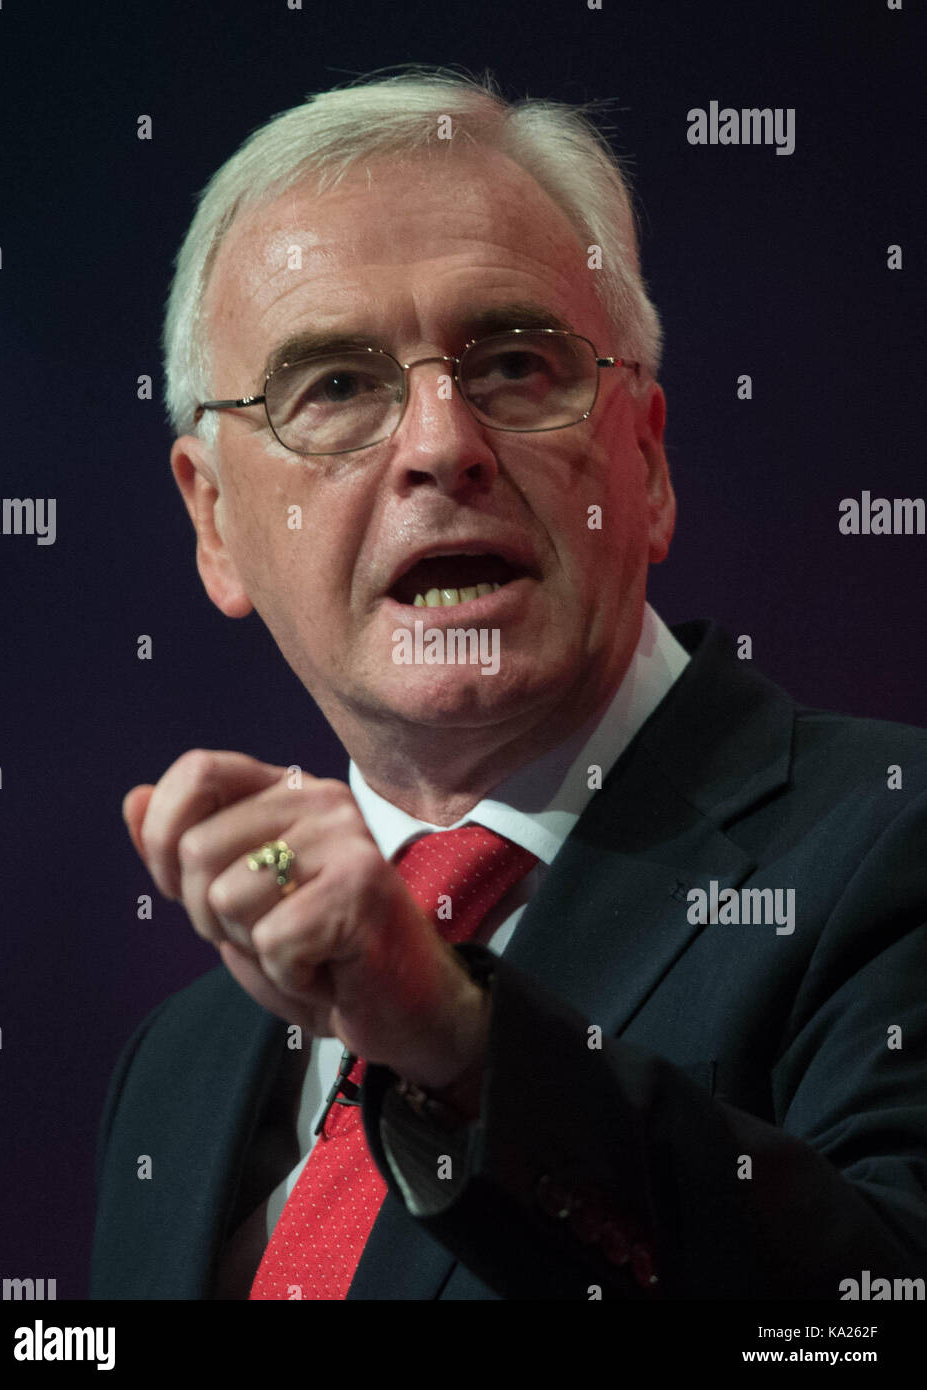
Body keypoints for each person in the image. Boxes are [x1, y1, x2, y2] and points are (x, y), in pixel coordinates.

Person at [90, 68, 927, 1301]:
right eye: (333, 387)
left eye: (518, 366)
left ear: (646, 458)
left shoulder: (888, 847)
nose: (439, 446)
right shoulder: (180, 1062)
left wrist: (454, 1040)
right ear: (214, 521)